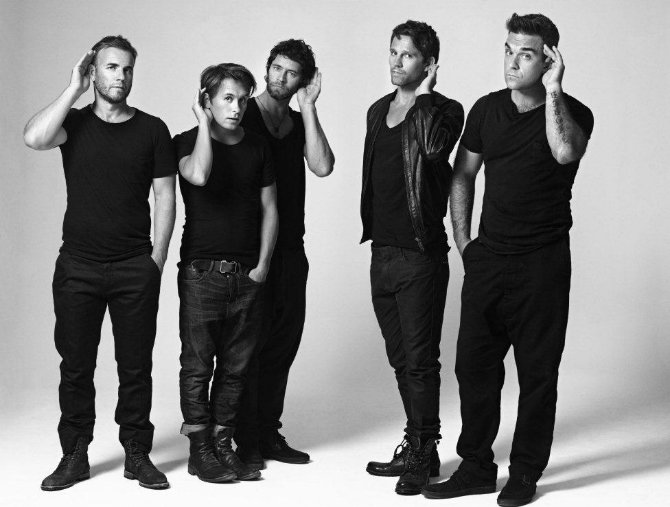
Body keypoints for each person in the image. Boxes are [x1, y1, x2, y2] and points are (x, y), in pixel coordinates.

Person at [421, 13, 594, 506]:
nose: (512, 62)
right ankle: (476, 466)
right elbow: (463, 175)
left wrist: (554, 90)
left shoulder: (574, 113)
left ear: (549, 60)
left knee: (538, 374)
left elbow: (565, 153)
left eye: (526, 54)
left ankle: (524, 473)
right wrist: (465, 243)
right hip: (489, 259)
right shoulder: (486, 109)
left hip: (542, 263)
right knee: (473, 368)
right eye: (508, 50)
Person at [23, 35, 176, 491]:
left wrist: (156, 260)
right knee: (75, 367)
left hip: (134, 267)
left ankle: (137, 453)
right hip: (78, 267)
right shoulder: (72, 124)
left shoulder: (152, 129)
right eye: (111, 67)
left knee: (136, 368)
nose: (121, 77)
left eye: (127, 69)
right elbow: (33, 138)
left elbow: (165, 197)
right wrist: (73, 88)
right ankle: (75, 455)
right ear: (94, 71)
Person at [360, 20, 464, 496]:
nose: (397, 61)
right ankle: (418, 444)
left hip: (420, 254)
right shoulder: (376, 111)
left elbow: (435, 149)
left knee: (421, 361)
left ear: (428, 63)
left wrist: (424, 97)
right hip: (381, 252)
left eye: (407, 55)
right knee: (401, 359)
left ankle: (426, 451)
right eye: (393, 52)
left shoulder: (445, 110)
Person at [174, 63, 278, 483]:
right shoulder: (185, 142)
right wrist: (203, 125)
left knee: (236, 368)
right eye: (227, 99)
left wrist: (263, 266)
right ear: (208, 100)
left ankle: (222, 444)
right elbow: (198, 174)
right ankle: (199, 450)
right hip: (201, 274)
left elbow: (270, 208)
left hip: (247, 276)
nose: (236, 108)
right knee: (198, 367)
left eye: (243, 99)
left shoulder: (257, 147)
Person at [234, 39, 334, 470]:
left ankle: (267, 432)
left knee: (282, 344)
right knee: (246, 347)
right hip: (248, 250)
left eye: (291, 73)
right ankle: (241, 438)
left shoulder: (297, 121)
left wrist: (309, 108)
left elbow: (323, 165)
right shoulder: (242, 113)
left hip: (291, 249)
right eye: (276, 67)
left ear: (302, 80)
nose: (281, 77)